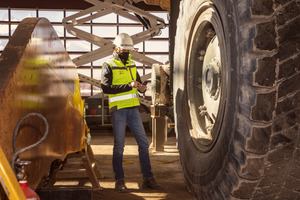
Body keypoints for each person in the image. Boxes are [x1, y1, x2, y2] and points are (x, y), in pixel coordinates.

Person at [101, 33, 163, 192]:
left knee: (143, 144)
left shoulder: (132, 65)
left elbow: (137, 84)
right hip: (118, 111)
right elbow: (106, 88)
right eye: (124, 49)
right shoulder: (108, 64)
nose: (127, 52)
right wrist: (130, 85)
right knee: (119, 147)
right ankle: (119, 180)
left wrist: (141, 88)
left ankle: (148, 179)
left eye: (129, 49)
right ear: (116, 48)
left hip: (133, 109)